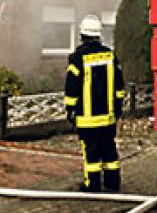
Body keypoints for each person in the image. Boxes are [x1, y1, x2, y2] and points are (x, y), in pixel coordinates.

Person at [64, 15, 126, 192]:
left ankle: (92, 185)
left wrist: (70, 109)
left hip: (87, 118)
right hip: (108, 117)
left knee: (91, 152)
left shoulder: (77, 58)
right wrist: (118, 106)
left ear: (82, 35)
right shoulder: (110, 56)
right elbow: (119, 85)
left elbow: (71, 88)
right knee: (109, 150)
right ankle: (113, 183)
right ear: (98, 35)